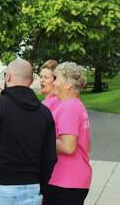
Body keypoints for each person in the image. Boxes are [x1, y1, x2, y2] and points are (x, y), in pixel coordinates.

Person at [0, 59, 56, 205]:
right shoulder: (45, 113)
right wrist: (42, 186)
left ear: (7, 77)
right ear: (32, 80)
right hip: (32, 187)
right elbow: (50, 156)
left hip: (0, 187)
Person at [44, 62, 92, 205]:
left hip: (65, 180)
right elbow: (87, 144)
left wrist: (41, 141)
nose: (54, 83)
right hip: (73, 180)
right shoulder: (77, 104)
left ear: (68, 84)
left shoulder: (68, 107)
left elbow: (68, 147)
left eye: (57, 78)